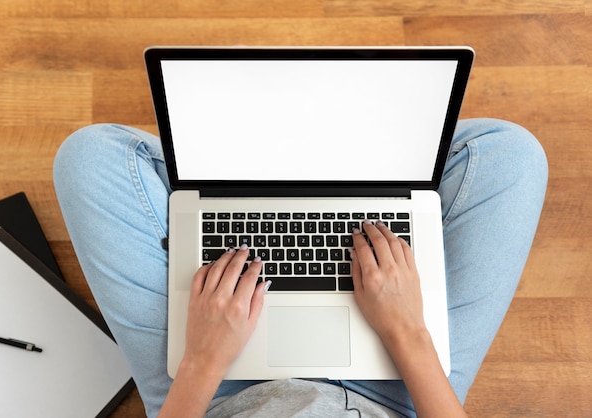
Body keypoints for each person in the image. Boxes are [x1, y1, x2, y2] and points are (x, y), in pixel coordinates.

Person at [53, 118, 547, 417]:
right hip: (402, 395)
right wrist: (408, 333)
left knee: (90, 157)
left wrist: (201, 360)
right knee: (508, 153)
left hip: (213, 396)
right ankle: (318, 174)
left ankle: (273, 174)